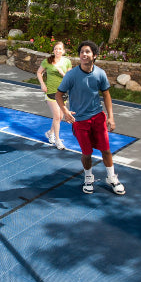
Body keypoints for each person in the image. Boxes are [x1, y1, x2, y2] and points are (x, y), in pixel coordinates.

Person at [55, 41, 126, 195]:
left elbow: (106, 94)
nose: (84, 54)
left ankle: (112, 178)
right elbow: (58, 95)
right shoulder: (71, 75)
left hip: (97, 118)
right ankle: (88, 178)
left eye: (87, 52)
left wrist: (111, 117)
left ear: (94, 55)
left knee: (106, 150)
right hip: (80, 120)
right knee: (86, 153)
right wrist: (65, 111)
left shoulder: (100, 73)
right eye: (81, 52)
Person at [36, 41, 71, 150]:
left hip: (63, 92)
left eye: (60, 49)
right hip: (51, 91)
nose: (58, 51)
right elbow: (38, 72)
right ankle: (57, 139)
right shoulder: (48, 61)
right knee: (57, 116)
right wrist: (42, 84)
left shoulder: (67, 62)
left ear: (63, 51)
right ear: (53, 50)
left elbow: (69, 79)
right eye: (56, 49)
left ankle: (50, 133)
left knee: (60, 117)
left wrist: (62, 73)